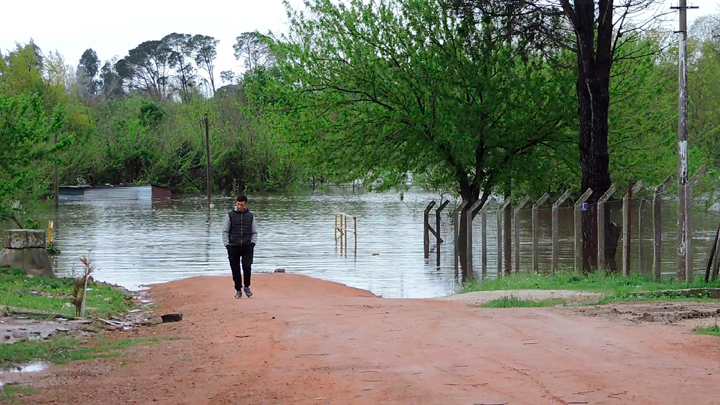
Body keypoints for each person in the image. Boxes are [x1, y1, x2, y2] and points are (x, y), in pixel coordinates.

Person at [222, 194, 258, 298]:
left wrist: (253, 243)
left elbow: (254, 232)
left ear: (245, 204)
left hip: (247, 246)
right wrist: (227, 245)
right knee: (235, 269)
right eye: (238, 204)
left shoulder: (251, 216)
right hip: (233, 246)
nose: (239, 206)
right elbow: (225, 231)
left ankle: (247, 286)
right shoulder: (230, 215)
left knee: (247, 266)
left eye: (241, 205)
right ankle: (238, 289)